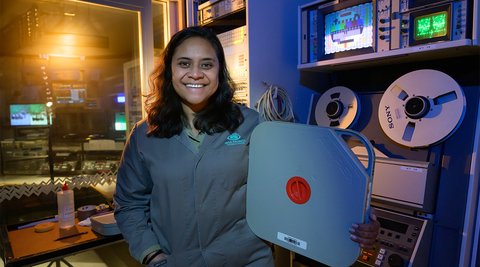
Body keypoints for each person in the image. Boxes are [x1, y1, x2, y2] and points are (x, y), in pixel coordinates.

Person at [113, 26, 380, 267]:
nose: (196, 73)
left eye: (207, 64)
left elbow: (307, 178)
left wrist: (359, 214)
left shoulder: (252, 124)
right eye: (184, 63)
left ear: (219, 71)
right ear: (170, 69)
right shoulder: (144, 136)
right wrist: (151, 254)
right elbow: (129, 204)